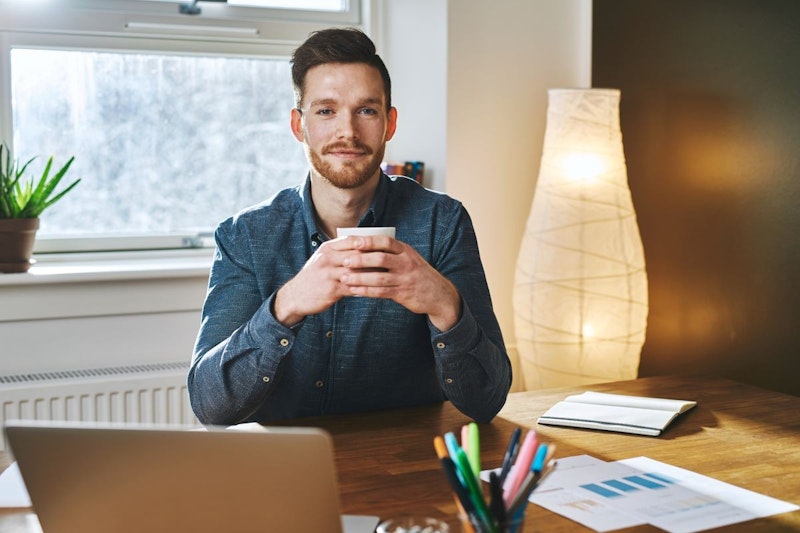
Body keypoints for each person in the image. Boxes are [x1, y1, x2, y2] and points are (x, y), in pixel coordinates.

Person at [188, 27, 511, 426]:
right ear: (298, 125)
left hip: (408, 466)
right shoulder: (245, 237)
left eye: (366, 110)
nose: (348, 133)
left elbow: (488, 401)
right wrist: (285, 306)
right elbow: (209, 405)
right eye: (326, 111)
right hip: (287, 470)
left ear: (389, 123)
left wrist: (445, 304)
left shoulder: (442, 224)